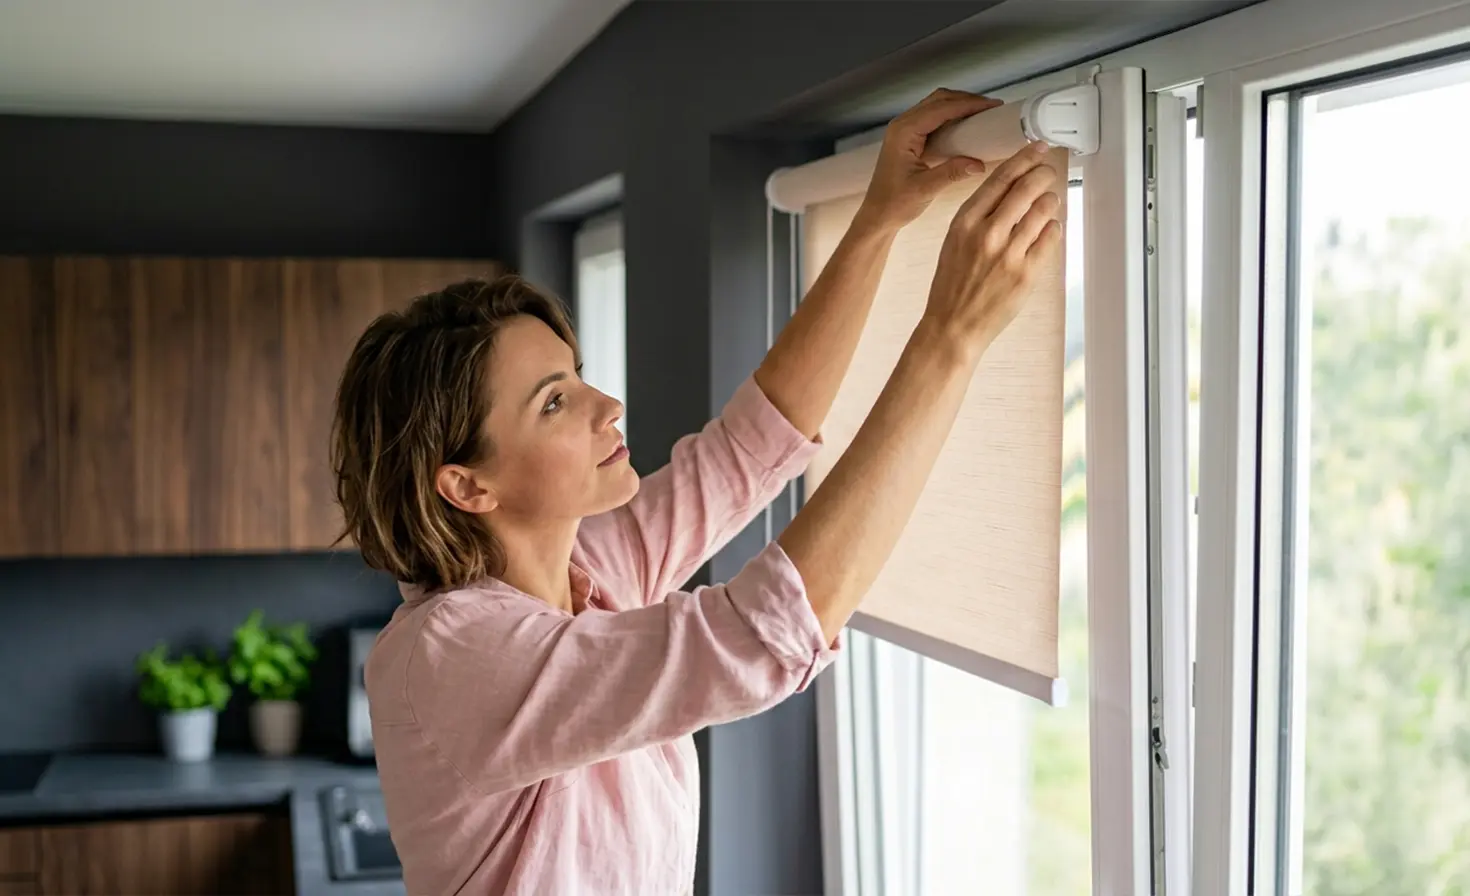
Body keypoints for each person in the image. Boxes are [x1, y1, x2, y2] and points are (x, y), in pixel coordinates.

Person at [331, 87, 1062, 896]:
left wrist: (879, 218)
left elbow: (753, 446)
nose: (607, 407)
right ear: (467, 485)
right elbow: (763, 633)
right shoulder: (452, 655)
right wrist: (948, 341)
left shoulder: (590, 578)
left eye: (577, 379)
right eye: (555, 402)